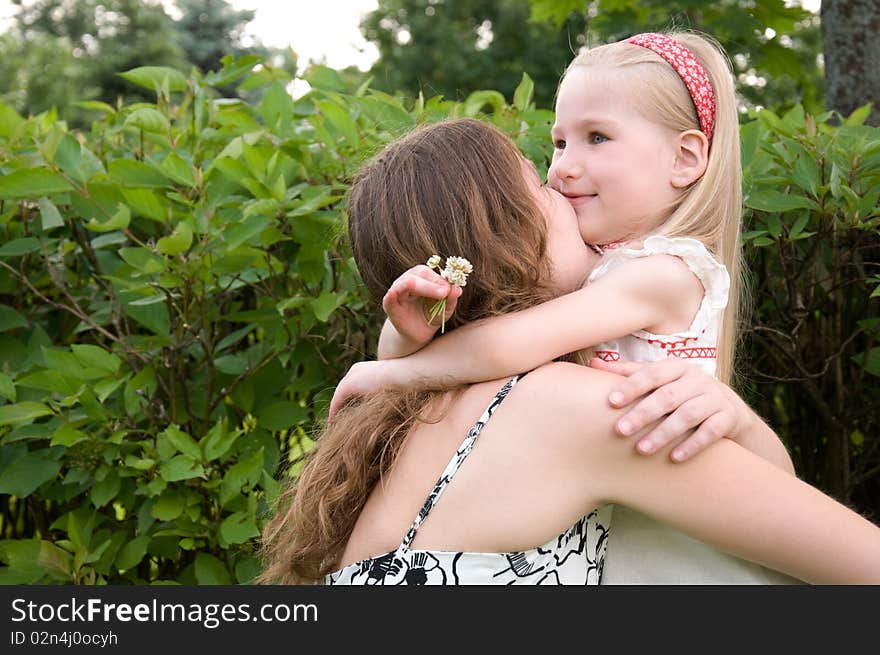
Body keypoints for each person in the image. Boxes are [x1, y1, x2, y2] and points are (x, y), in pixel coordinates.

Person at [259, 118, 880, 585]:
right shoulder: (580, 410)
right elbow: (858, 559)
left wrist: (738, 418)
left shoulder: (425, 410)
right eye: (538, 181)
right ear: (507, 239)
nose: (561, 180)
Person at [327, 31, 800, 583]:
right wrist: (409, 332)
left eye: (597, 138)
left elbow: (508, 345)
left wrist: (391, 373)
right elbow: (487, 343)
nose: (562, 169)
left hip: (672, 537)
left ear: (685, 157)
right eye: (558, 143)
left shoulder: (665, 273)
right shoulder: (592, 269)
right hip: (613, 520)